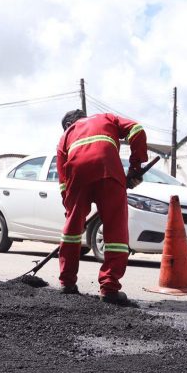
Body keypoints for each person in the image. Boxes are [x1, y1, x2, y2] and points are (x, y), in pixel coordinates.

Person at [56, 109, 148, 305]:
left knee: (71, 231)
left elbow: (64, 183)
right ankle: (109, 288)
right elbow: (137, 129)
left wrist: (72, 212)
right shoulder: (106, 118)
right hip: (109, 170)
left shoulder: (65, 136)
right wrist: (135, 167)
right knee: (115, 230)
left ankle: (67, 283)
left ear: (67, 125)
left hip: (78, 176)